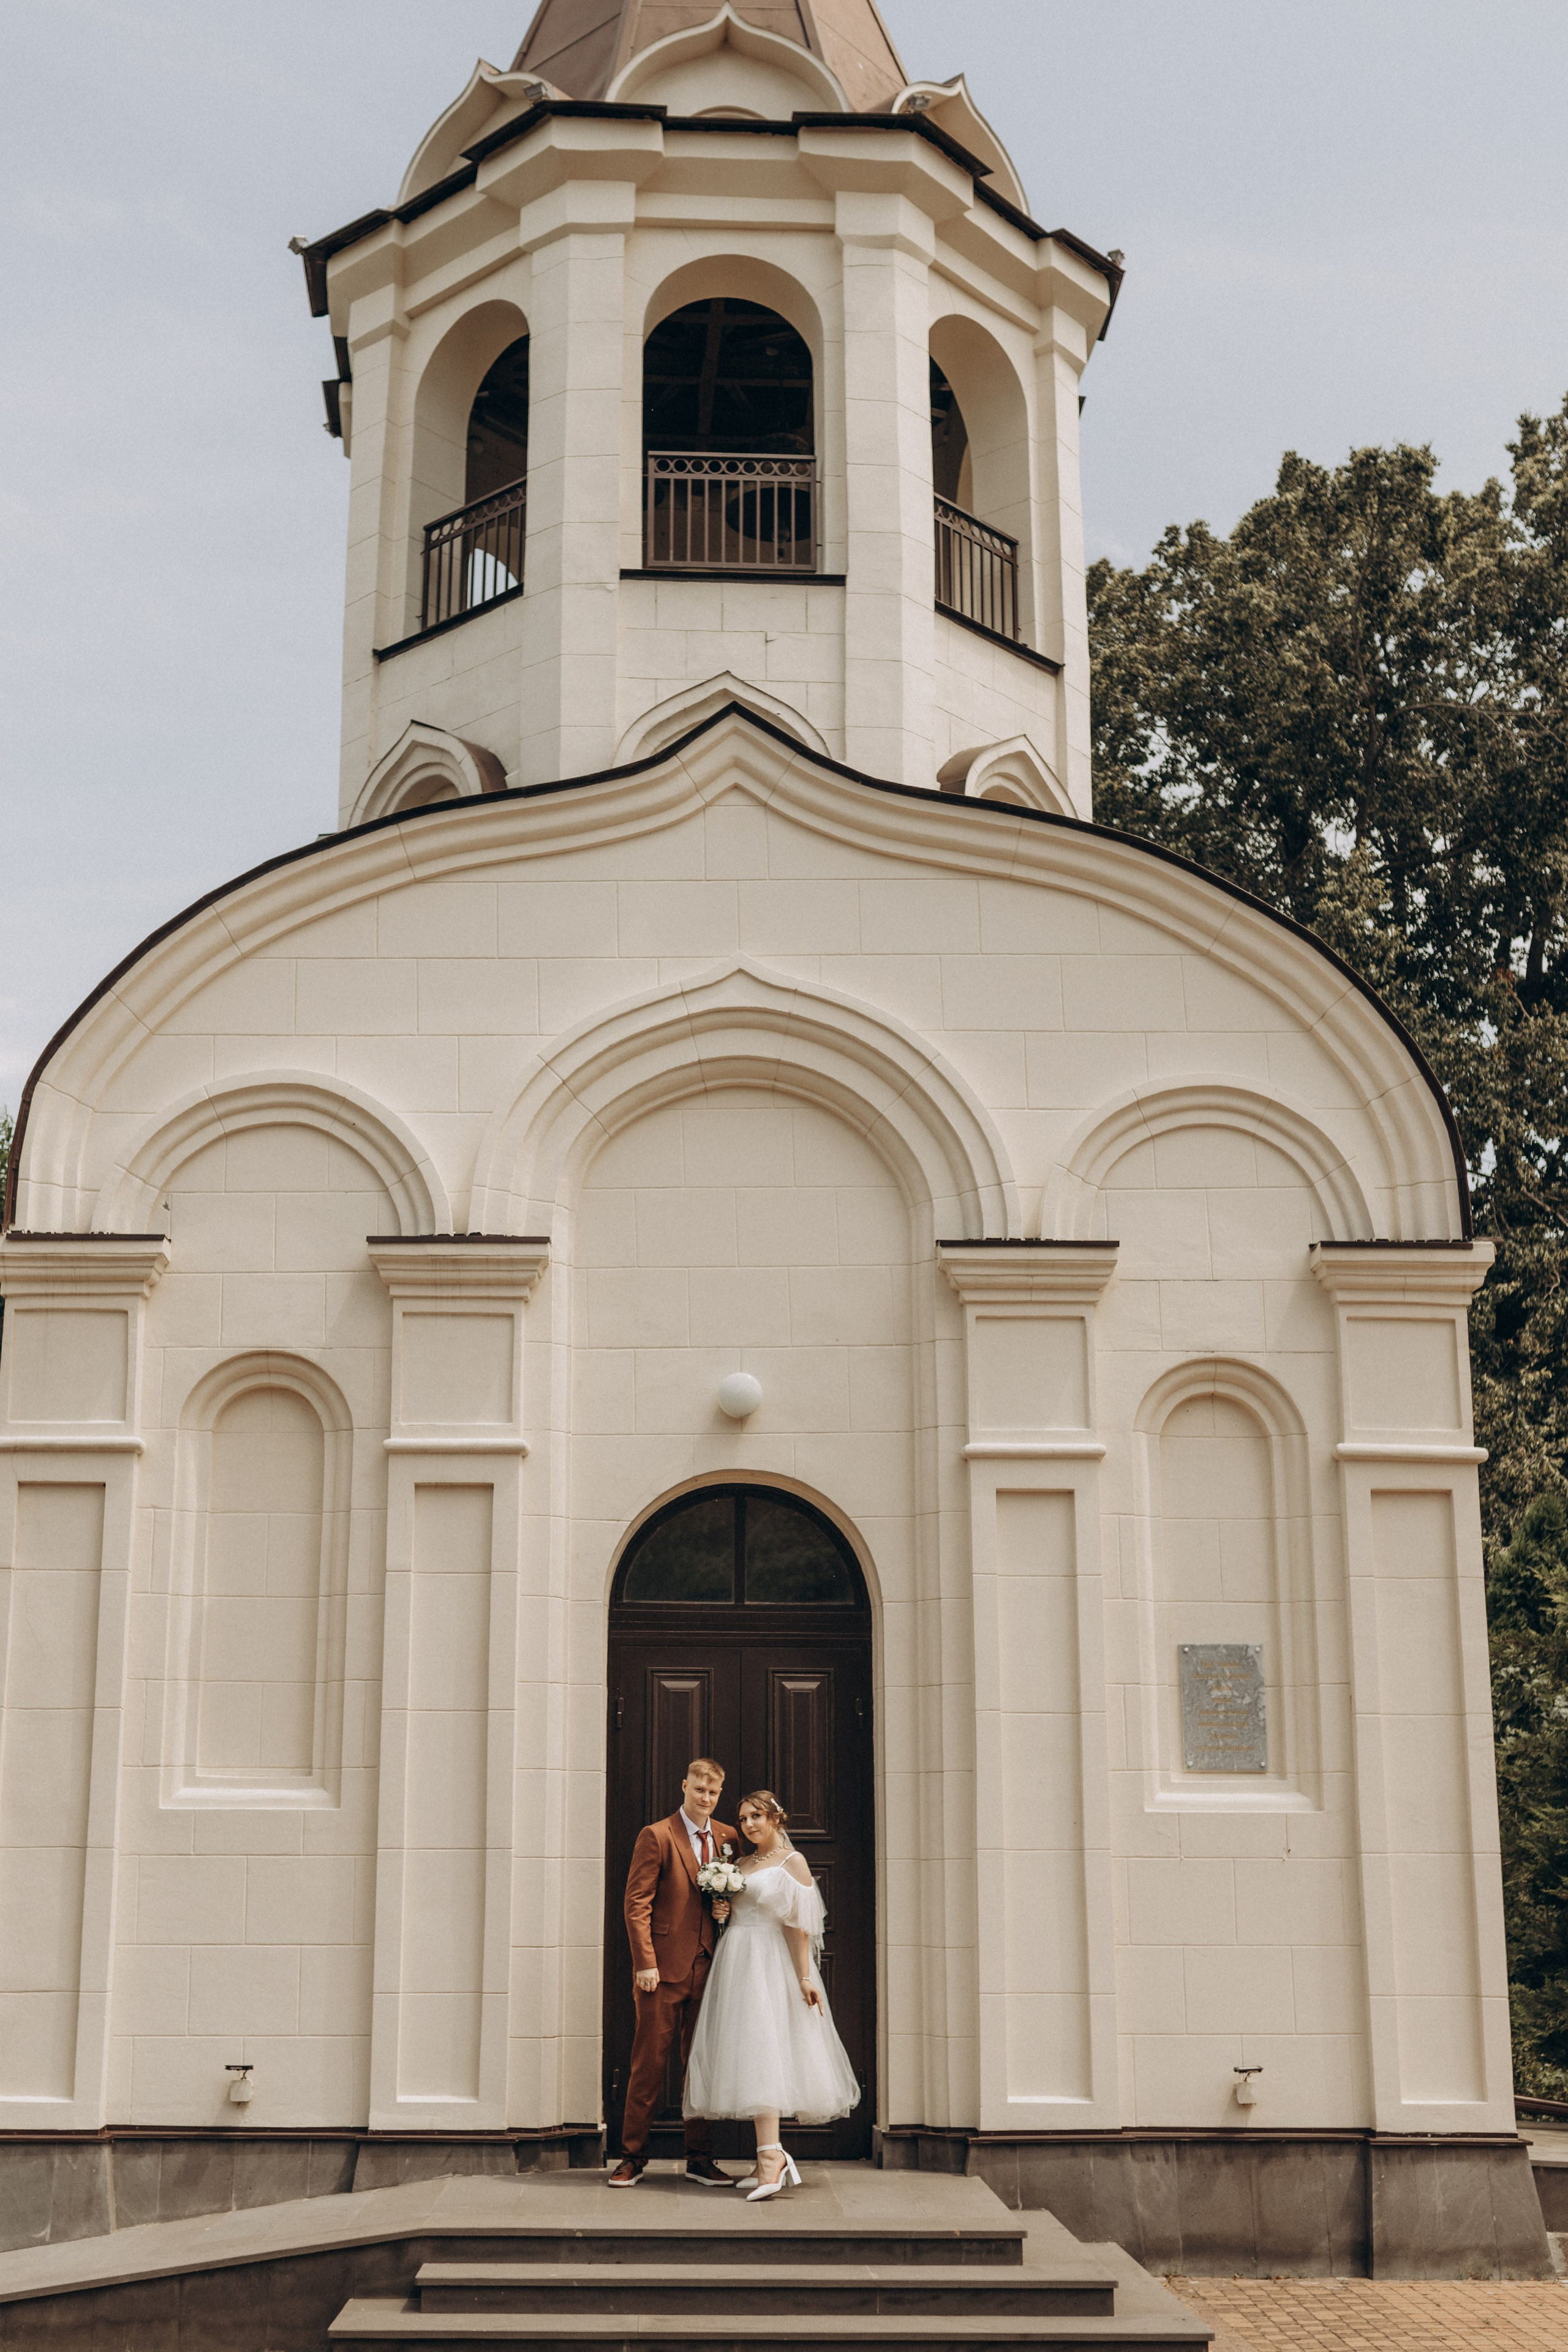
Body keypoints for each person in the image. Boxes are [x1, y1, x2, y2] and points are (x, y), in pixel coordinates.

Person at [682, 1788, 860, 2201]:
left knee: (766, 2052)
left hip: (767, 1963)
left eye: (756, 1817)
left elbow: (797, 1926)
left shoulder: (791, 1862)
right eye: (743, 1818)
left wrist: (803, 1977)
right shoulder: (741, 1863)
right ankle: (768, 2155)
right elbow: (737, 1912)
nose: (748, 1825)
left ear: (776, 1819)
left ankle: (770, 2161)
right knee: (747, 2053)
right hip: (736, 1960)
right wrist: (722, 1912)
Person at [609, 1756, 738, 2187]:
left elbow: (734, 1898)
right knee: (649, 2064)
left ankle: (699, 2158)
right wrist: (645, 1963)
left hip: (711, 1968)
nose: (706, 1798)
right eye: (699, 1789)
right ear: (685, 1786)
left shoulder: (728, 1838)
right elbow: (636, 1905)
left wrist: (724, 1910)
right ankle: (632, 2158)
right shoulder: (657, 1835)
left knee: (699, 2065)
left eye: (714, 1792)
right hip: (662, 1972)